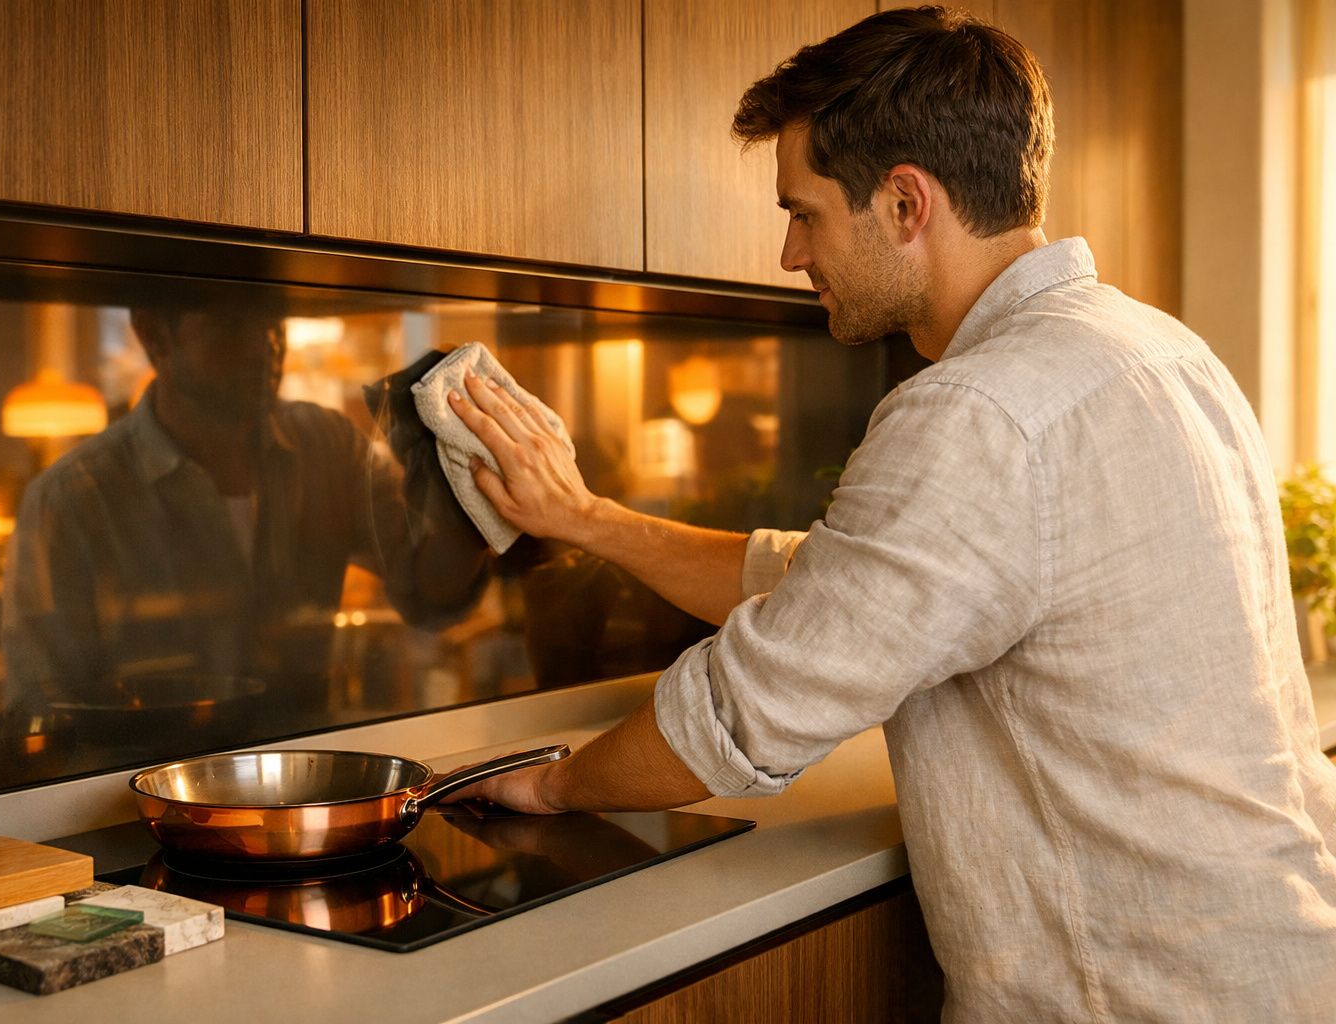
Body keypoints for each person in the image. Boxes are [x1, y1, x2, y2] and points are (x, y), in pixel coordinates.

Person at [444, 7, 1336, 1021]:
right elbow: (840, 585)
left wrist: (551, 787)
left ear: (906, 202)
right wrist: (589, 517)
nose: (789, 253)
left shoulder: (978, 410)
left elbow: (739, 716)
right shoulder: (1163, 352)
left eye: (805, 213)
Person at [1, 303, 489, 716]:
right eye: (230, 325)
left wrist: (467, 471)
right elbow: (46, 702)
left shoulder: (327, 445)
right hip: (147, 797)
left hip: (305, 781)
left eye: (272, 323)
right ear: (154, 336)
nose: (264, 348)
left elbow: (431, 590)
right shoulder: (72, 499)